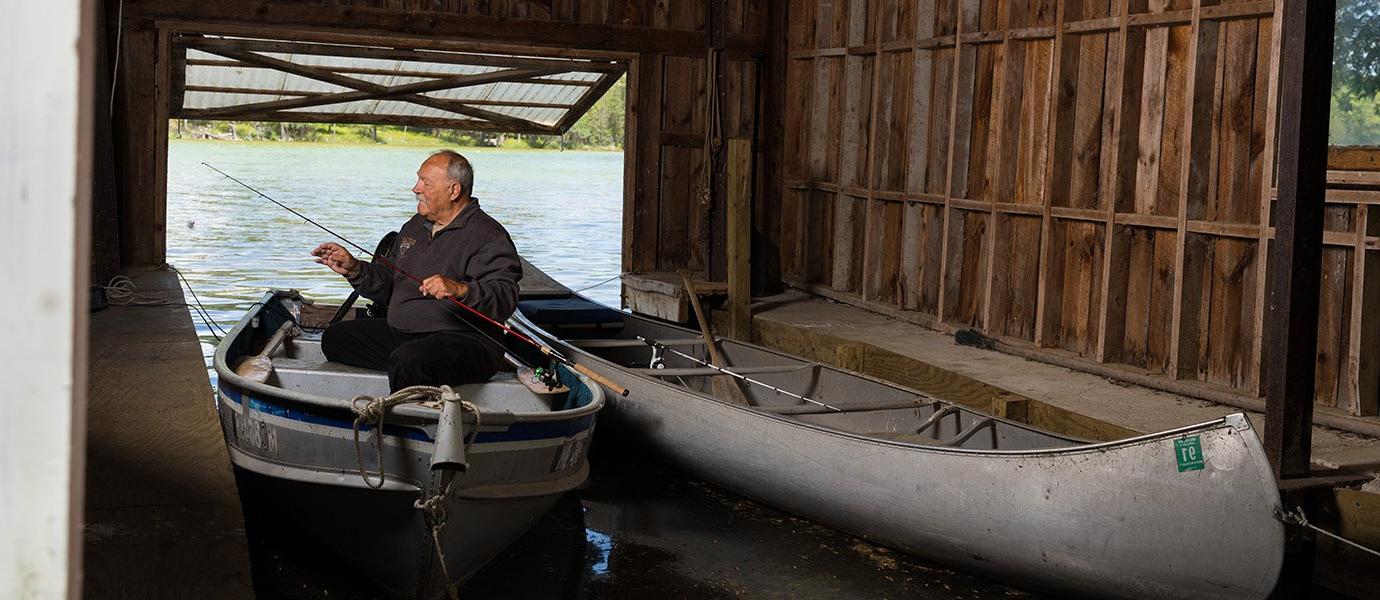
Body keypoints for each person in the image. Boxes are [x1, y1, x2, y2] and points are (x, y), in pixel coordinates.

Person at [311, 150, 522, 391]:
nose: (415, 188)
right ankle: (405, 374)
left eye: (425, 183)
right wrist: (355, 269)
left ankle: (398, 421)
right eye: (418, 179)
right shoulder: (414, 227)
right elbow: (390, 286)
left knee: (409, 361)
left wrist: (461, 289)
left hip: (467, 341)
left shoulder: (488, 235)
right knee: (335, 339)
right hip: (405, 334)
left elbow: (505, 297)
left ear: (454, 191)